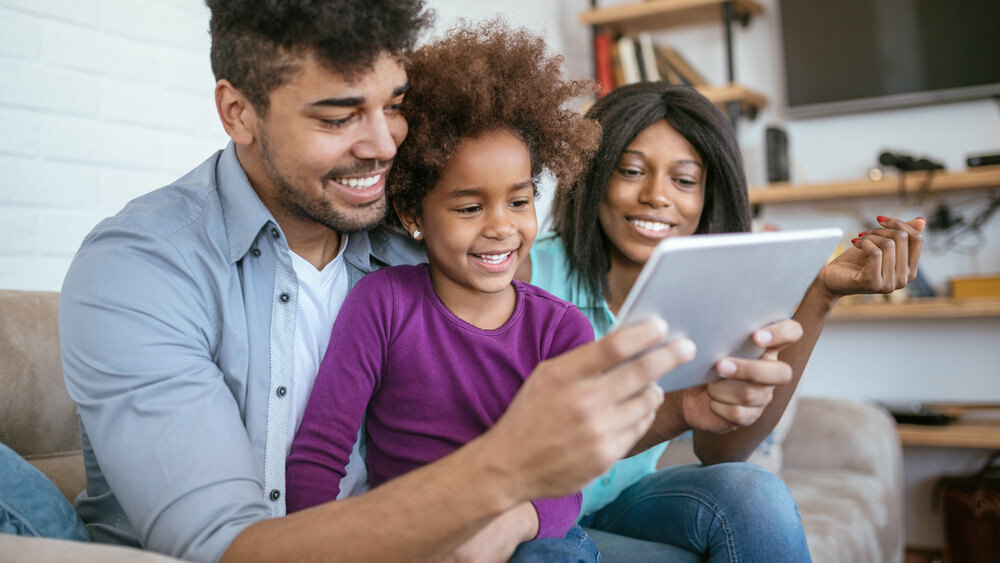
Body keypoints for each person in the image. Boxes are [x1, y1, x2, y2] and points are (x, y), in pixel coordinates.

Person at [51, 2, 738, 561]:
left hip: (455, 537)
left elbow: (557, 436)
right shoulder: (145, 267)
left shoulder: (416, 249)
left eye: (395, 104)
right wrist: (501, 473)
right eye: (339, 115)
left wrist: (683, 405)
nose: (383, 143)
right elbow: (229, 549)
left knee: (742, 500)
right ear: (238, 113)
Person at [516, 81, 925, 561]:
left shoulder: (708, 288)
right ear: (593, 175)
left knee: (754, 494)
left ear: (709, 196)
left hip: (616, 502)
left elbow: (721, 452)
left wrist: (821, 293)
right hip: (529, 512)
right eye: (630, 170)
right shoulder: (526, 274)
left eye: (684, 180)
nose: (656, 196)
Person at [284, 22, 604, 561]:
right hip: (413, 536)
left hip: (526, 532)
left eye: (520, 201)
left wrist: (510, 525)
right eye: (469, 207)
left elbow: (568, 481)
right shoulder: (382, 304)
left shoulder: (562, 328)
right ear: (413, 214)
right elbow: (319, 454)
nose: (502, 227)